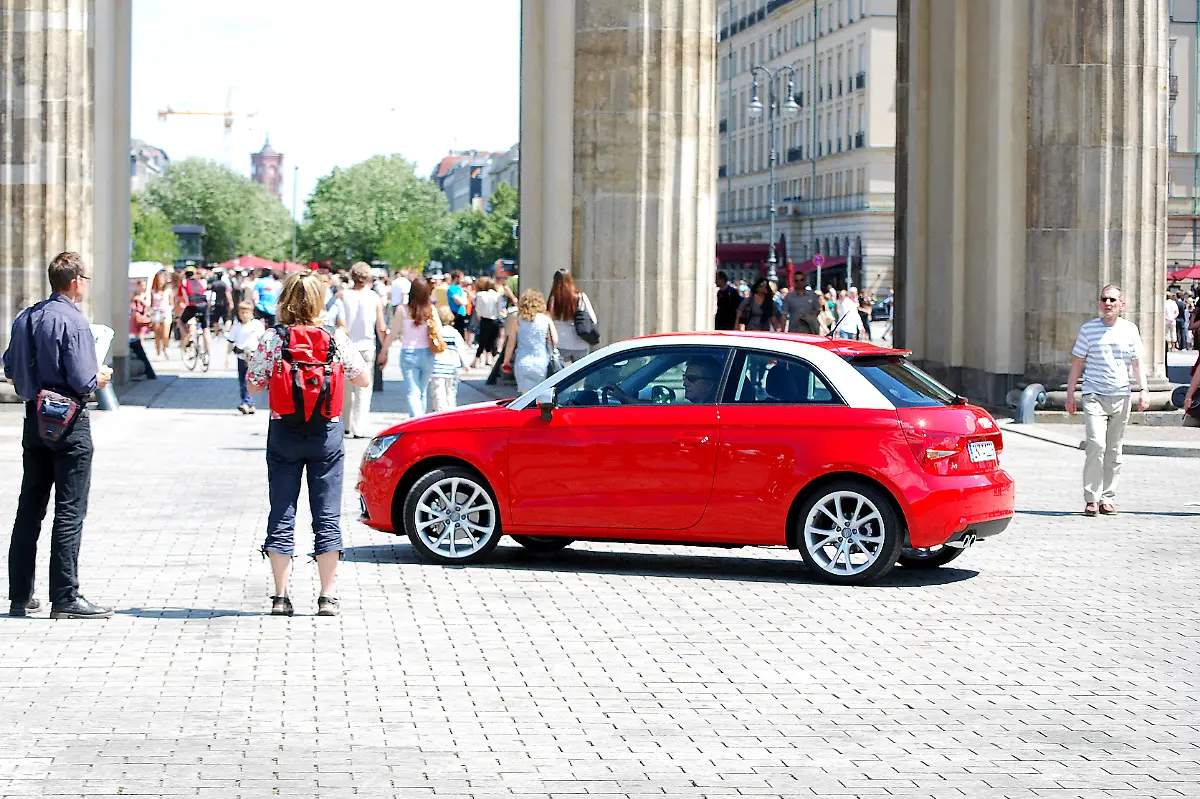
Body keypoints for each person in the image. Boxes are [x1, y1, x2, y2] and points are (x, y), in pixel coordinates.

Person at [246, 272, 369, 617]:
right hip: (326, 433)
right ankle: (327, 597)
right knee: (327, 515)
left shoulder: (273, 338)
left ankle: (281, 597)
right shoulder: (334, 337)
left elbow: (254, 386)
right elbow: (363, 378)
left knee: (282, 512)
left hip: (284, 430)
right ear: (319, 301)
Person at [2, 252, 113, 619]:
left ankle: (20, 595)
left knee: (29, 506)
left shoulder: (27, 317)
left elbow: (8, 365)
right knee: (69, 511)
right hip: (69, 420)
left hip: (34, 417)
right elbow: (84, 380)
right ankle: (65, 596)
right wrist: (101, 377)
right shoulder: (75, 322)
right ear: (77, 280)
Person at [1065, 285, 1150, 517]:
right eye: (1104, 299)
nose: (1108, 303)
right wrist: (1070, 393)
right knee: (1096, 445)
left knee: (1114, 449)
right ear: (1100, 303)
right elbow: (1078, 362)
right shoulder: (1088, 330)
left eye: (1113, 299)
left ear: (1122, 304)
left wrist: (1143, 390)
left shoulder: (1130, 330)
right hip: (1094, 395)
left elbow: (1136, 363)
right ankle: (1091, 498)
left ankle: (1108, 498)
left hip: (1121, 395)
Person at [340, 263, 387, 438]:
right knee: (364, 389)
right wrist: (385, 349)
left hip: (345, 347)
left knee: (345, 389)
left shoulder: (343, 295)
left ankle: (346, 425)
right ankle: (359, 427)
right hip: (367, 346)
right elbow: (381, 326)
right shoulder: (374, 297)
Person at [380, 276, 437, 418]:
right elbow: (439, 331)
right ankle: (420, 421)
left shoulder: (402, 310)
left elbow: (393, 334)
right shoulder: (431, 309)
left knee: (413, 392)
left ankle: (417, 424)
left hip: (409, 354)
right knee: (422, 392)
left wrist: (383, 352)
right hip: (428, 354)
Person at [503, 289, 558, 394]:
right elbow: (555, 340)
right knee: (540, 396)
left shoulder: (518, 320)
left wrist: (506, 360)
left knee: (525, 398)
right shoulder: (546, 319)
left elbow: (510, 343)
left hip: (522, 362)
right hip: (542, 363)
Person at [547, 270, 597, 365]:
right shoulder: (581, 297)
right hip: (580, 344)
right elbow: (593, 319)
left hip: (561, 343)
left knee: (564, 376)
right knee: (581, 376)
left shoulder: (554, 298)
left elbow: (549, 320)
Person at [431, 306, 469, 412]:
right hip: (453, 366)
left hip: (437, 366)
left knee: (438, 391)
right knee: (451, 390)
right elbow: (460, 349)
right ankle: (451, 410)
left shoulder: (436, 332)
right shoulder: (454, 333)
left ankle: (440, 411)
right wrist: (466, 364)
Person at [229, 302, 265, 414]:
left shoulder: (256, 325)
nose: (244, 315)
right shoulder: (236, 326)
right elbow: (231, 342)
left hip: (253, 357)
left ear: (251, 313)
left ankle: (246, 402)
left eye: (247, 312)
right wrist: (227, 357)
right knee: (242, 380)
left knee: (249, 379)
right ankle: (249, 403)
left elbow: (263, 340)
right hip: (241, 356)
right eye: (242, 312)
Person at [471, 276, 503, 368]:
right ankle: (489, 360)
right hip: (495, 320)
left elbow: (478, 309)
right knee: (492, 341)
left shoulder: (480, 295)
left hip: (484, 320)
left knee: (482, 341)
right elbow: (500, 310)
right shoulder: (497, 295)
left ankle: (476, 360)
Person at [177, 268, 211, 354]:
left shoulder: (184, 283)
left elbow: (179, 298)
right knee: (205, 329)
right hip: (204, 305)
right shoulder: (200, 282)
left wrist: (176, 312)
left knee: (181, 322)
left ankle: (190, 336)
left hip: (192, 306)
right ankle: (208, 351)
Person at [128, 282, 156, 379]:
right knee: (136, 335)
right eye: (140, 285)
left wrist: (140, 300)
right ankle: (140, 350)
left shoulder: (147, 294)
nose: (142, 287)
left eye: (143, 285)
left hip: (142, 316)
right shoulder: (134, 294)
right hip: (135, 316)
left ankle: (142, 350)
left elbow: (149, 305)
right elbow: (130, 301)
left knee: (141, 334)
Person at [149, 271, 171, 360]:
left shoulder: (168, 291)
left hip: (165, 312)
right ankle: (158, 353)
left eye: (161, 281)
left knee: (165, 334)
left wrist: (167, 310)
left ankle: (165, 348)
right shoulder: (153, 292)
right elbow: (151, 304)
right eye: (158, 281)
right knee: (157, 333)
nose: (160, 283)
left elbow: (171, 303)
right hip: (156, 312)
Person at [208, 270, 233, 334]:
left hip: (217, 303)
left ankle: (217, 331)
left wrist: (210, 303)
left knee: (215, 319)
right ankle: (227, 331)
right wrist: (231, 302)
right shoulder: (224, 284)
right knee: (227, 318)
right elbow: (227, 293)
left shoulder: (214, 284)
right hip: (224, 303)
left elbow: (211, 294)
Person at [446, 270, 469, 336]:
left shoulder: (459, 288)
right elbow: (459, 302)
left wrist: (464, 300)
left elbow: (465, 301)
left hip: (462, 314)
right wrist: (464, 297)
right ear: (456, 278)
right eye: (461, 278)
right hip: (455, 314)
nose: (462, 280)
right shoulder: (452, 288)